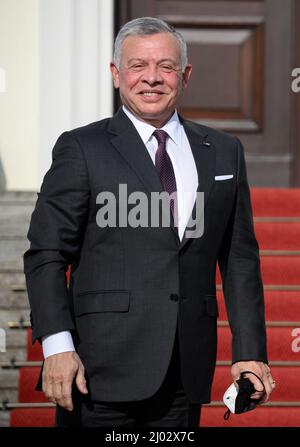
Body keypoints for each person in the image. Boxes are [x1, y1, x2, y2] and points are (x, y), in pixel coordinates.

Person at [24, 16, 275, 427]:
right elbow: (46, 254)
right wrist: (56, 346)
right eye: (138, 65)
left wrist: (250, 353)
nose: (152, 79)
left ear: (185, 75)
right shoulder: (82, 148)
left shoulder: (224, 151)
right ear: (115, 74)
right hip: (96, 374)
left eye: (166, 67)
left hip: (185, 373)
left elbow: (240, 260)